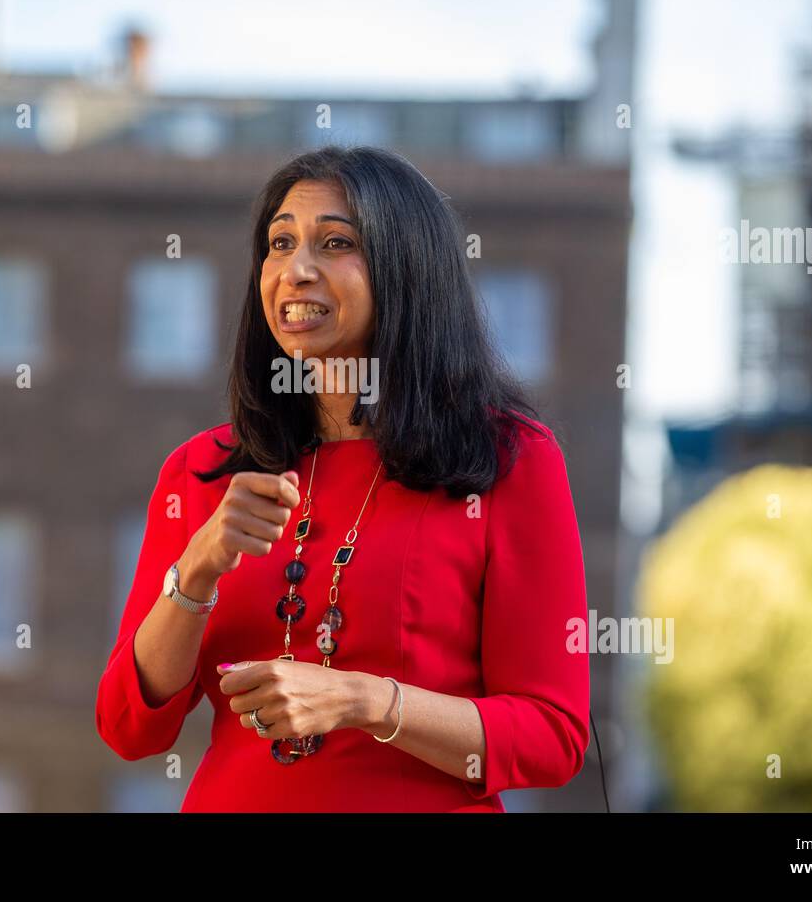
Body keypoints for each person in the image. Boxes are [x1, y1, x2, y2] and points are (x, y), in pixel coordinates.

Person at [95, 145, 589, 812]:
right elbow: (130, 727)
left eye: (334, 243)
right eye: (279, 244)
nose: (296, 271)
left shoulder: (508, 460)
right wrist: (200, 566)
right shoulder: (202, 470)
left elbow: (551, 736)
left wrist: (364, 700)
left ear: (406, 269)